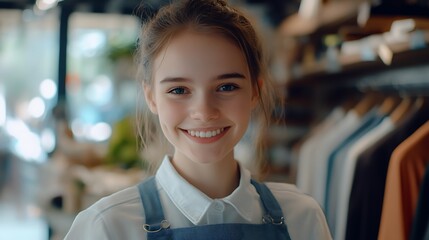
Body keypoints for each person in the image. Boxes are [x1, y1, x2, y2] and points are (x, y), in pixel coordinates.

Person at [64, 0, 332, 239]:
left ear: (255, 91)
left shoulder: (302, 218)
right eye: (179, 90)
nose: (204, 112)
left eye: (227, 86)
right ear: (151, 97)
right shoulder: (108, 227)